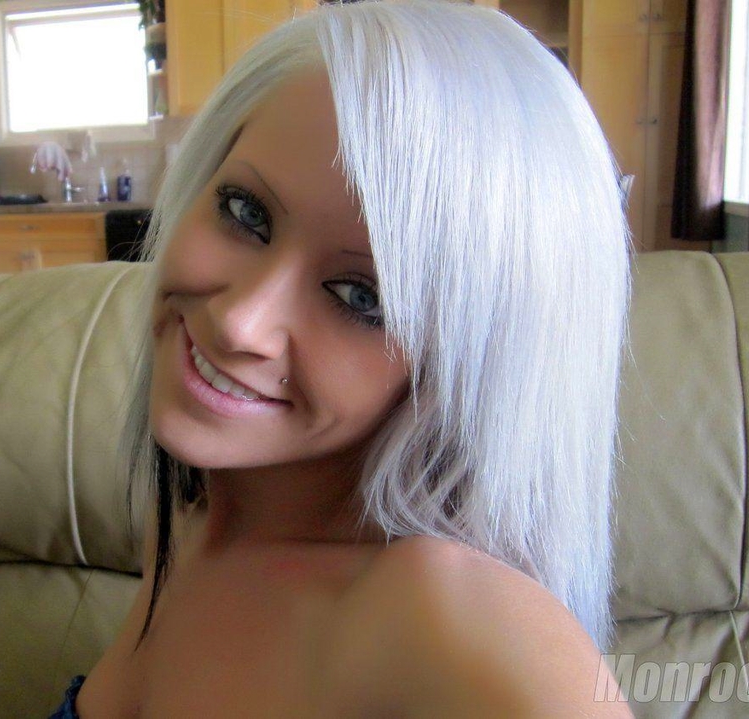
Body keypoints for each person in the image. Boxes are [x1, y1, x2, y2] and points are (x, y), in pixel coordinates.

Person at [53, 0, 633, 715]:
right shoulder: (190, 514)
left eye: (361, 296)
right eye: (245, 213)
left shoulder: (442, 613)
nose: (240, 321)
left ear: (471, 371)